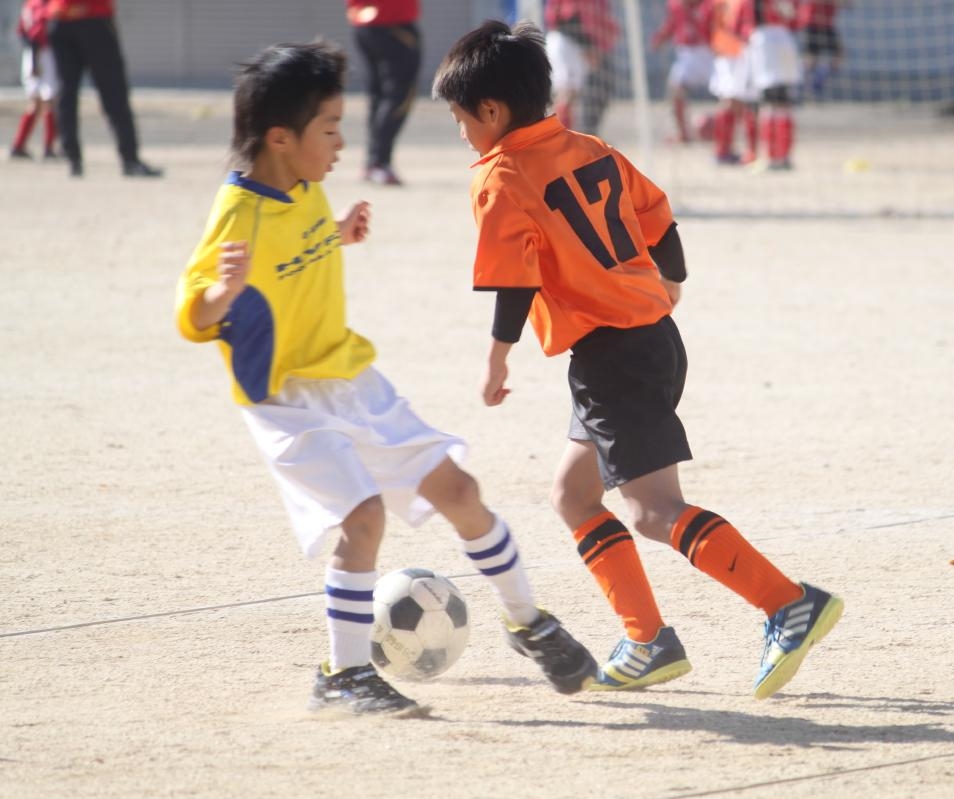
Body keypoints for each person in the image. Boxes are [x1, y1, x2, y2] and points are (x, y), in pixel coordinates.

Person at [174, 40, 597, 716]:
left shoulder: (303, 186)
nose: (342, 143)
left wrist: (335, 234)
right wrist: (221, 293)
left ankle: (529, 623)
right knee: (363, 517)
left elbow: (295, 247)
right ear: (280, 138)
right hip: (287, 400)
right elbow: (193, 314)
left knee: (460, 490)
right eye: (330, 129)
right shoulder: (237, 214)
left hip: (352, 378)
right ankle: (342, 675)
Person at [433, 20, 843, 699]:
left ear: (493, 112)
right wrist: (671, 278)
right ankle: (648, 639)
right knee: (573, 496)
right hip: (648, 339)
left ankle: (787, 602)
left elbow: (514, 278)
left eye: (459, 119)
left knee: (653, 511)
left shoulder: (500, 175)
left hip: (611, 358)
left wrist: (497, 357)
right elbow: (659, 218)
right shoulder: (591, 147)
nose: (460, 133)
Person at [45, 0, 159, 177]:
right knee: (113, 91)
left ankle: (72, 158)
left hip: (60, 17)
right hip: (92, 16)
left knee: (66, 91)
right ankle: (129, 159)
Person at [345, 0, 421, 186]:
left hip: (364, 21)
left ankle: (373, 162)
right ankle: (379, 162)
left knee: (378, 96)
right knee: (400, 95)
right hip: (392, 22)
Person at [735, 0, 804, 170]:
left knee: (768, 103)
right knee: (784, 102)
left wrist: (746, 35)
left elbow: (739, 24)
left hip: (765, 42)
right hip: (785, 40)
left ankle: (771, 156)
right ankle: (784, 156)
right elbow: (798, 20)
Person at [543, 0, 620, 134]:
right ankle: (561, 136)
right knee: (567, 93)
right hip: (565, 43)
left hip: (574, 46)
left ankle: (572, 134)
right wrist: (588, 47)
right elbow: (568, 19)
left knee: (573, 94)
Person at [650, 0, 714, 144]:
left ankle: (726, 133)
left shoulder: (710, 4)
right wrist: (661, 38)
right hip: (687, 53)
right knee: (676, 90)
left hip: (710, 52)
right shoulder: (675, 5)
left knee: (730, 95)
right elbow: (671, 23)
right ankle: (683, 133)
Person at [706, 0, 757, 164]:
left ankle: (725, 150)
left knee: (734, 101)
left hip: (726, 49)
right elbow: (742, 26)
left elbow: (708, 21)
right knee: (738, 101)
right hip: (736, 51)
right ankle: (733, 151)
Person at [10, 0, 59, 160]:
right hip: (43, 54)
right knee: (49, 100)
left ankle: (19, 145)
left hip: (30, 54)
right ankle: (49, 147)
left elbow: (22, 32)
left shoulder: (29, 5)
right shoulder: (44, 5)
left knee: (35, 102)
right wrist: (36, 60)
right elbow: (39, 32)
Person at [798, 0, 848, 98]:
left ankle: (823, 73)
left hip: (827, 26)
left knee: (841, 54)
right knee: (810, 59)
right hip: (812, 24)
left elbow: (847, 4)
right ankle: (802, 84)